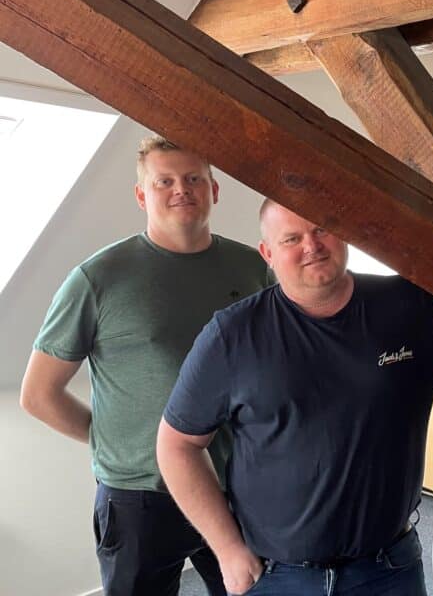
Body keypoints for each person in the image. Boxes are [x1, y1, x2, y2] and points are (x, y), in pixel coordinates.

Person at [157, 199, 433, 596]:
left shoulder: (405, 304)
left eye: (322, 229)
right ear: (268, 253)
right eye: (291, 239)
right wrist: (227, 550)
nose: (311, 246)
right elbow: (177, 445)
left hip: (389, 568)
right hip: (278, 576)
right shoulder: (233, 335)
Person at [20, 135, 272, 596]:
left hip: (235, 483)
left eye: (194, 179)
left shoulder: (253, 268)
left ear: (214, 189)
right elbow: (38, 395)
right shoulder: (98, 278)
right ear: (142, 195)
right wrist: (113, 441)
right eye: (164, 182)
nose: (182, 190)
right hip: (140, 496)